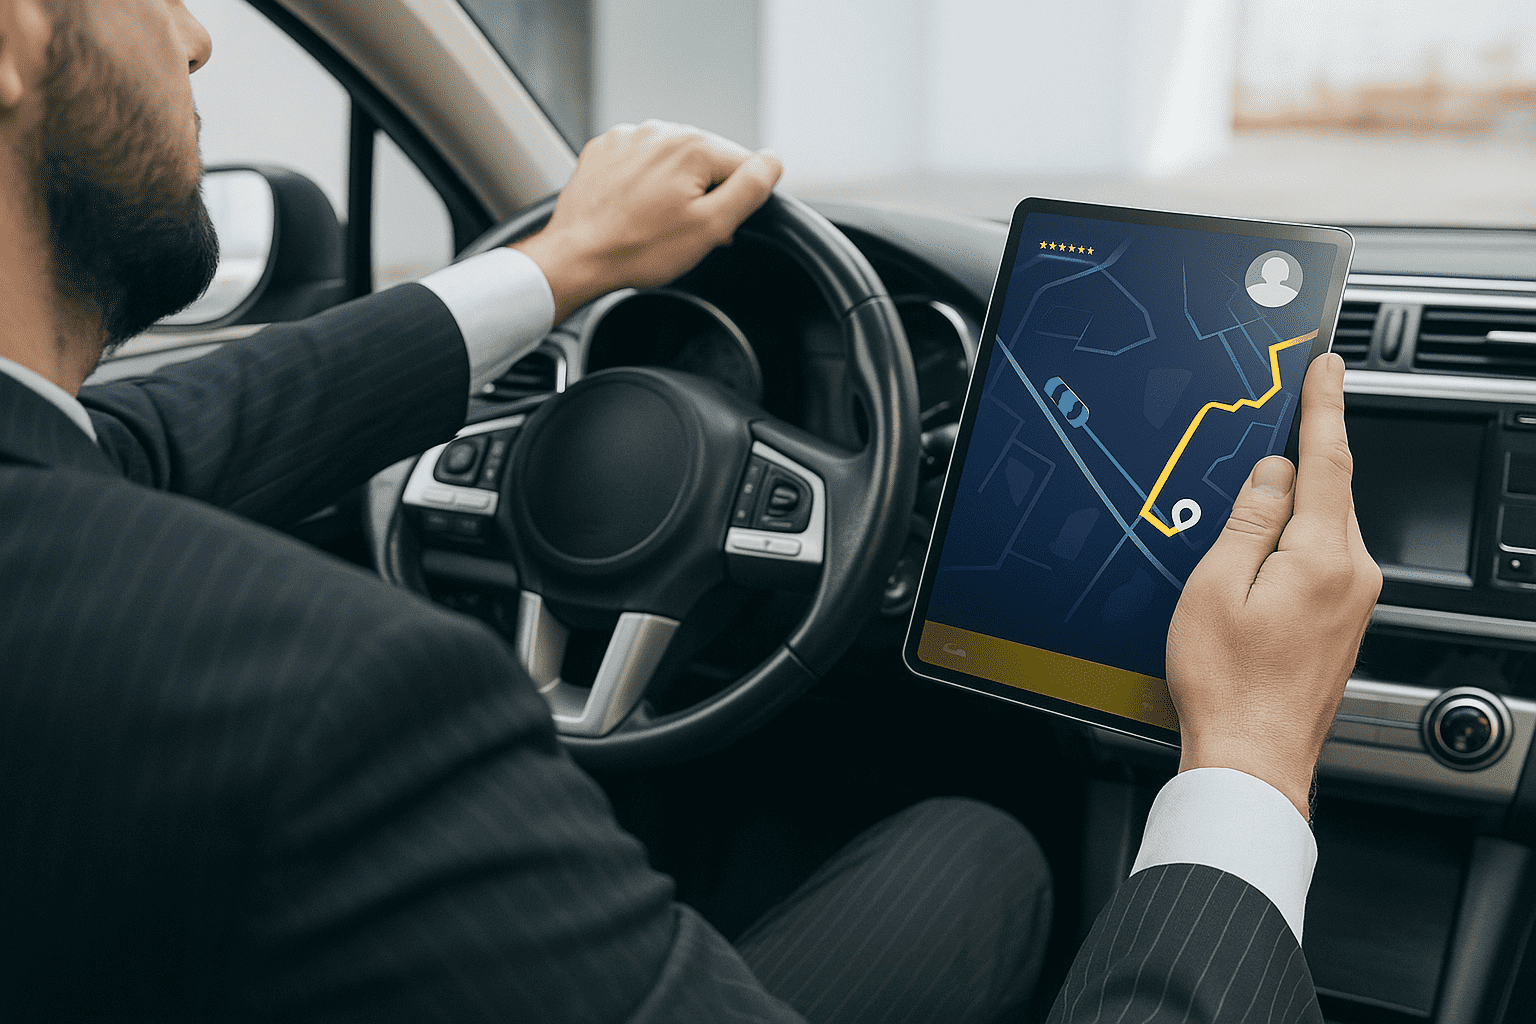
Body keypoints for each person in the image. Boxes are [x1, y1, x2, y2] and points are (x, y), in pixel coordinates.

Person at [0, 2, 1381, 1022]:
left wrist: (559, 264)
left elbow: (138, 448)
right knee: (986, 850)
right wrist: (1250, 760)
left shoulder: (58, 516)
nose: (193, 37)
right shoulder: (346, 702)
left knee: (970, 853)